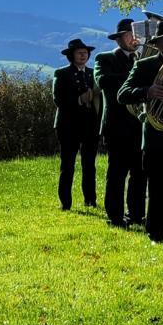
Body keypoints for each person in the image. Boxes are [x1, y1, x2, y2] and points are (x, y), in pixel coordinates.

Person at [118, 18, 163, 244]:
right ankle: (156, 231)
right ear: (157, 43)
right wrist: (148, 91)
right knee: (158, 184)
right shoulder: (145, 65)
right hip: (155, 135)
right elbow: (123, 94)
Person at [95, 18, 144, 227]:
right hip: (117, 125)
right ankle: (115, 216)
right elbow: (103, 81)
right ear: (118, 39)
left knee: (140, 173)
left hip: (140, 124)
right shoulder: (105, 58)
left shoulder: (143, 58)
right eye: (129, 35)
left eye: (136, 34)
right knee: (117, 173)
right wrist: (136, 74)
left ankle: (137, 214)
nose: (134, 38)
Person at [51, 37, 100, 211]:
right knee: (67, 165)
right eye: (79, 53)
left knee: (89, 165)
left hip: (89, 125)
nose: (83, 55)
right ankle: (65, 203)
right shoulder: (61, 73)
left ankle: (90, 200)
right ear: (71, 55)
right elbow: (58, 99)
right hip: (68, 126)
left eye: (85, 53)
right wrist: (79, 100)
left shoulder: (93, 73)